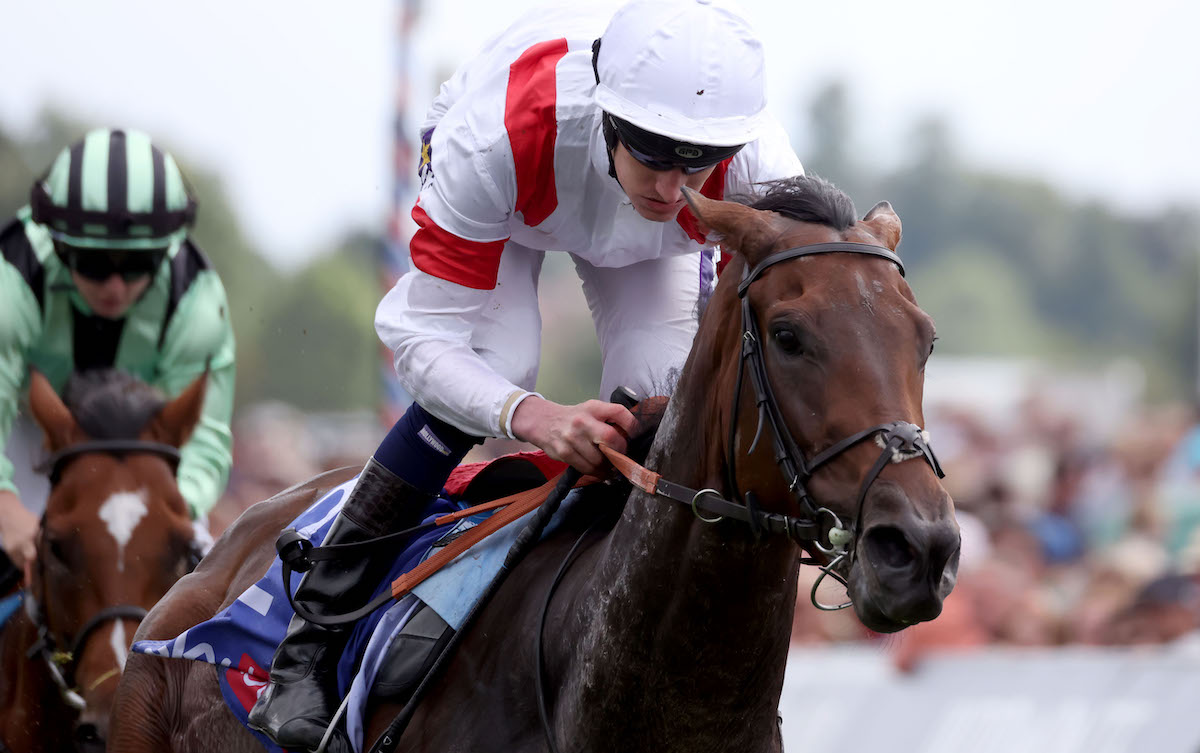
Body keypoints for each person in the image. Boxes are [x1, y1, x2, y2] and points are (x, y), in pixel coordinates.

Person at [248, 0, 804, 748]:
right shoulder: (493, 139)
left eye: (696, 162)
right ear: (609, 118)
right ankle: (308, 644)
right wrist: (534, 415)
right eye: (654, 153)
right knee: (496, 367)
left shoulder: (761, 165)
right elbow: (419, 344)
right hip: (513, 199)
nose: (673, 189)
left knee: (659, 390)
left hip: (641, 244)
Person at [0, 128, 236, 584]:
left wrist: (170, 506)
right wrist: (5, 505)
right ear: (60, 244)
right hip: (24, 431)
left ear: (165, 253)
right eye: (92, 262)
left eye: (137, 265)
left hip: (140, 448)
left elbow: (204, 441)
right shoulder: (12, 279)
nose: (115, 286)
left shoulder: (197, 300)